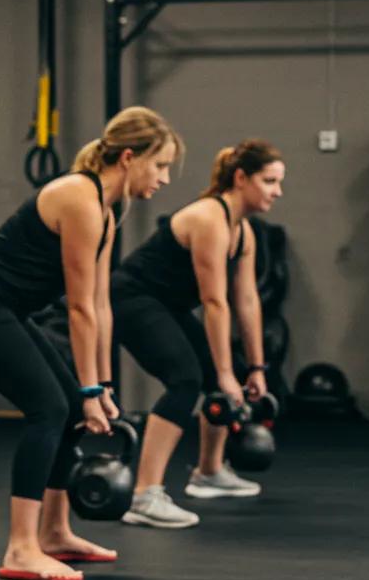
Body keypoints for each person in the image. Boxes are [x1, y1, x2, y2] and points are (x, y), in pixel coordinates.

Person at [0, 108, 184, 580]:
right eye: (160, 165)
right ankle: (21, 547)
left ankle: (53, 533)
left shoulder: (106, 212)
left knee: (69, 408)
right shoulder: (79, 198)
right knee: (49, 409)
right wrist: (88, 391)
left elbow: (102, 306)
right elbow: (79, 310)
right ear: (129, 158)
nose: (164, 178)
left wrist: (100, 387)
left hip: (7, 308)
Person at [112, 139, 286, 529]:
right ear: (240, 178)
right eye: (269, 181)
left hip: (166, 304)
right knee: (186, 380)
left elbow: (247, 301)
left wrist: (255, 369)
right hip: (130, 298)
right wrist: (222, 375)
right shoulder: (209, 219)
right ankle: (143, 494)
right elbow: (214, 302)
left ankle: (209, 472)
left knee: (227, 374)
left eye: (278, 182)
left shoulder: (243, 232)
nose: (277, 191)